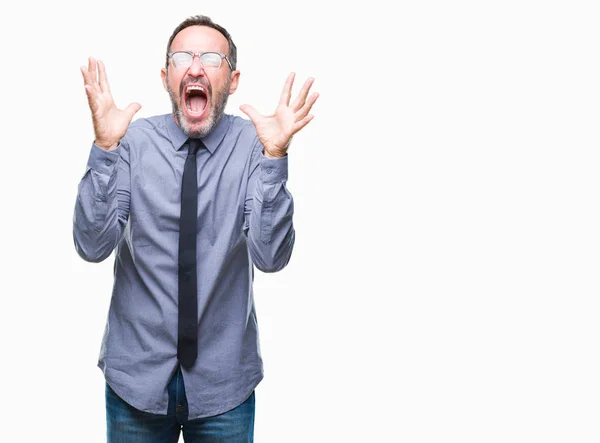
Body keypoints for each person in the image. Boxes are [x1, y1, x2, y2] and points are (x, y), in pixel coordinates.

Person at [72, 14, 318, 443]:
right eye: (183, 56)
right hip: (136, 379)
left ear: (233, 78)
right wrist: (105, 150)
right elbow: (93, 246)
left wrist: (274, 157)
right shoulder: (131, 142)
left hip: (224, 385)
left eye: (212, 57)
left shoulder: (253, 144)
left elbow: (271, 257)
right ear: (167, 76)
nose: (196, 66)